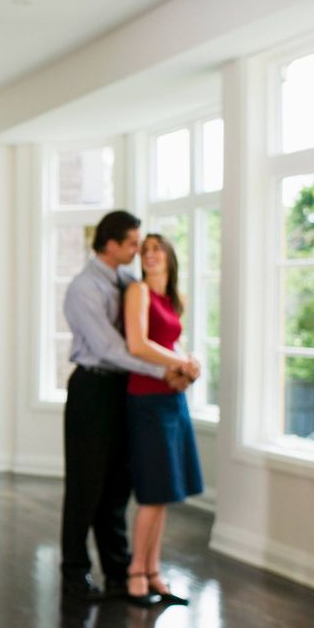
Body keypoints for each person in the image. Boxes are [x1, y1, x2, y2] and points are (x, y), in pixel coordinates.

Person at [60, 210, 192, 603]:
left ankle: (119, 571)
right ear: (112, 244)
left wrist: (169, 365)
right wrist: (163, 370)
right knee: (86, 486)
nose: (139, 250)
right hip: (93, 388)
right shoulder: (83, 288)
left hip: (125, 390)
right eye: (133, 243)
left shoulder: (128, 282)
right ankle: (74, 575)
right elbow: (110, 349)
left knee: (118, 487)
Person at [121, 233, 204, 607]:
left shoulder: (172, 301)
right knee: (152, 492)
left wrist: (190, 364)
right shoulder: (138, 291)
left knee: (166, 492)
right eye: (145, 250)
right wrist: (180, 363)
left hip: (173, 400)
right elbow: (137, 345)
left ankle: (154, 570)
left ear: (170, 257)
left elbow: (170, 345)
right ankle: (136, 571)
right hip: (147, 400)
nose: (150, 255)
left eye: (157, 249)